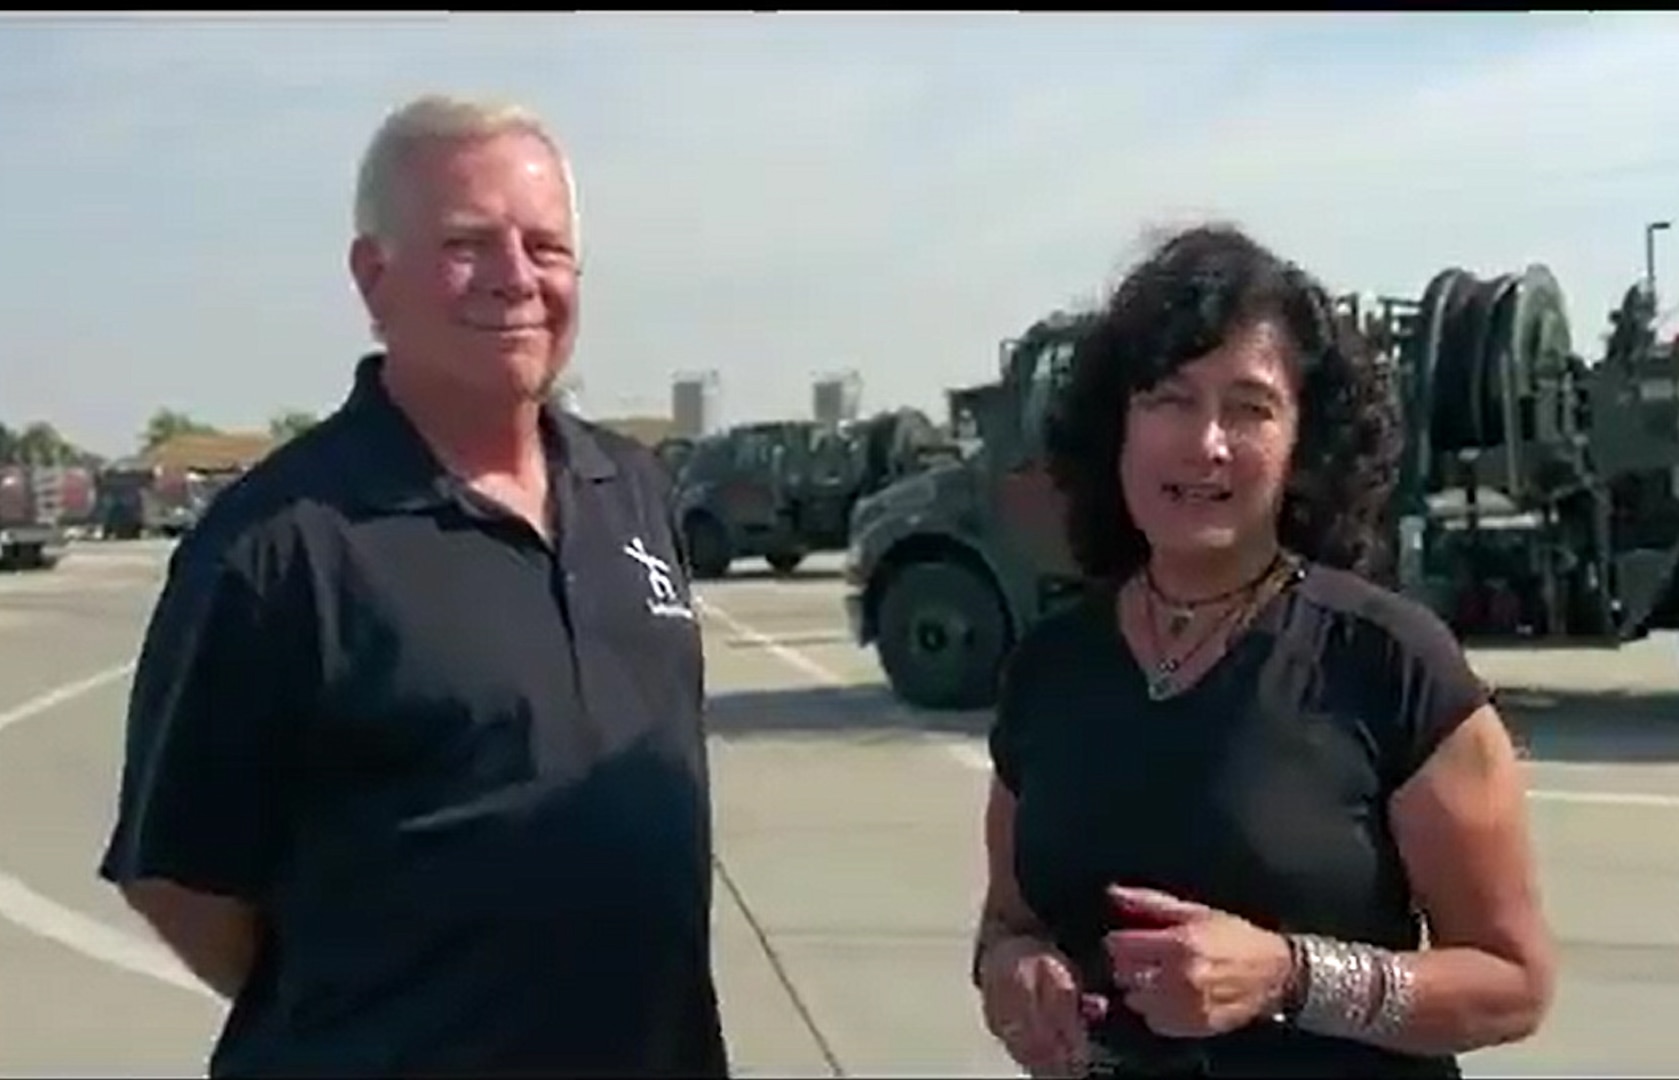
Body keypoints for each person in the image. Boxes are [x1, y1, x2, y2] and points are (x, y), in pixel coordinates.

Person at [97, 94, 728, 1078]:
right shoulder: (277, 544)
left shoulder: (631, 490)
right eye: (467, 243)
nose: (515, 279)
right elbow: (183, 880)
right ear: (372, 276)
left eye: (546, 247)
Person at [969, 224, 1555, 1078]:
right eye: (1169, 398)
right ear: (1115, 428)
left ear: (1300, 444)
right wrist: (1012, 976)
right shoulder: (1049, 670)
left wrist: (1290, 976)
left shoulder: (1391, 662)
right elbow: (1006, 922)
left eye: (1248, 407)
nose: (1205, 442)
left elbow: (1512, 983)